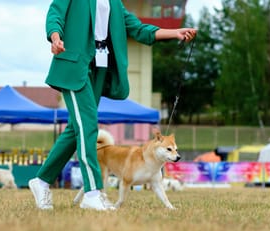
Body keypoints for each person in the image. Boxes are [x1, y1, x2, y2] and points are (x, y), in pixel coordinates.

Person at [28, 0, 197, 211]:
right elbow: (55, 14)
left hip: (99, 70)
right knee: (88, 125)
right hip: (72, 67)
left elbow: (138, 29)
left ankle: (41, 181)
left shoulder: (114, 3)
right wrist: (55, 37)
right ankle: (92, 192)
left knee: (75, 129)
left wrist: (175, 33)